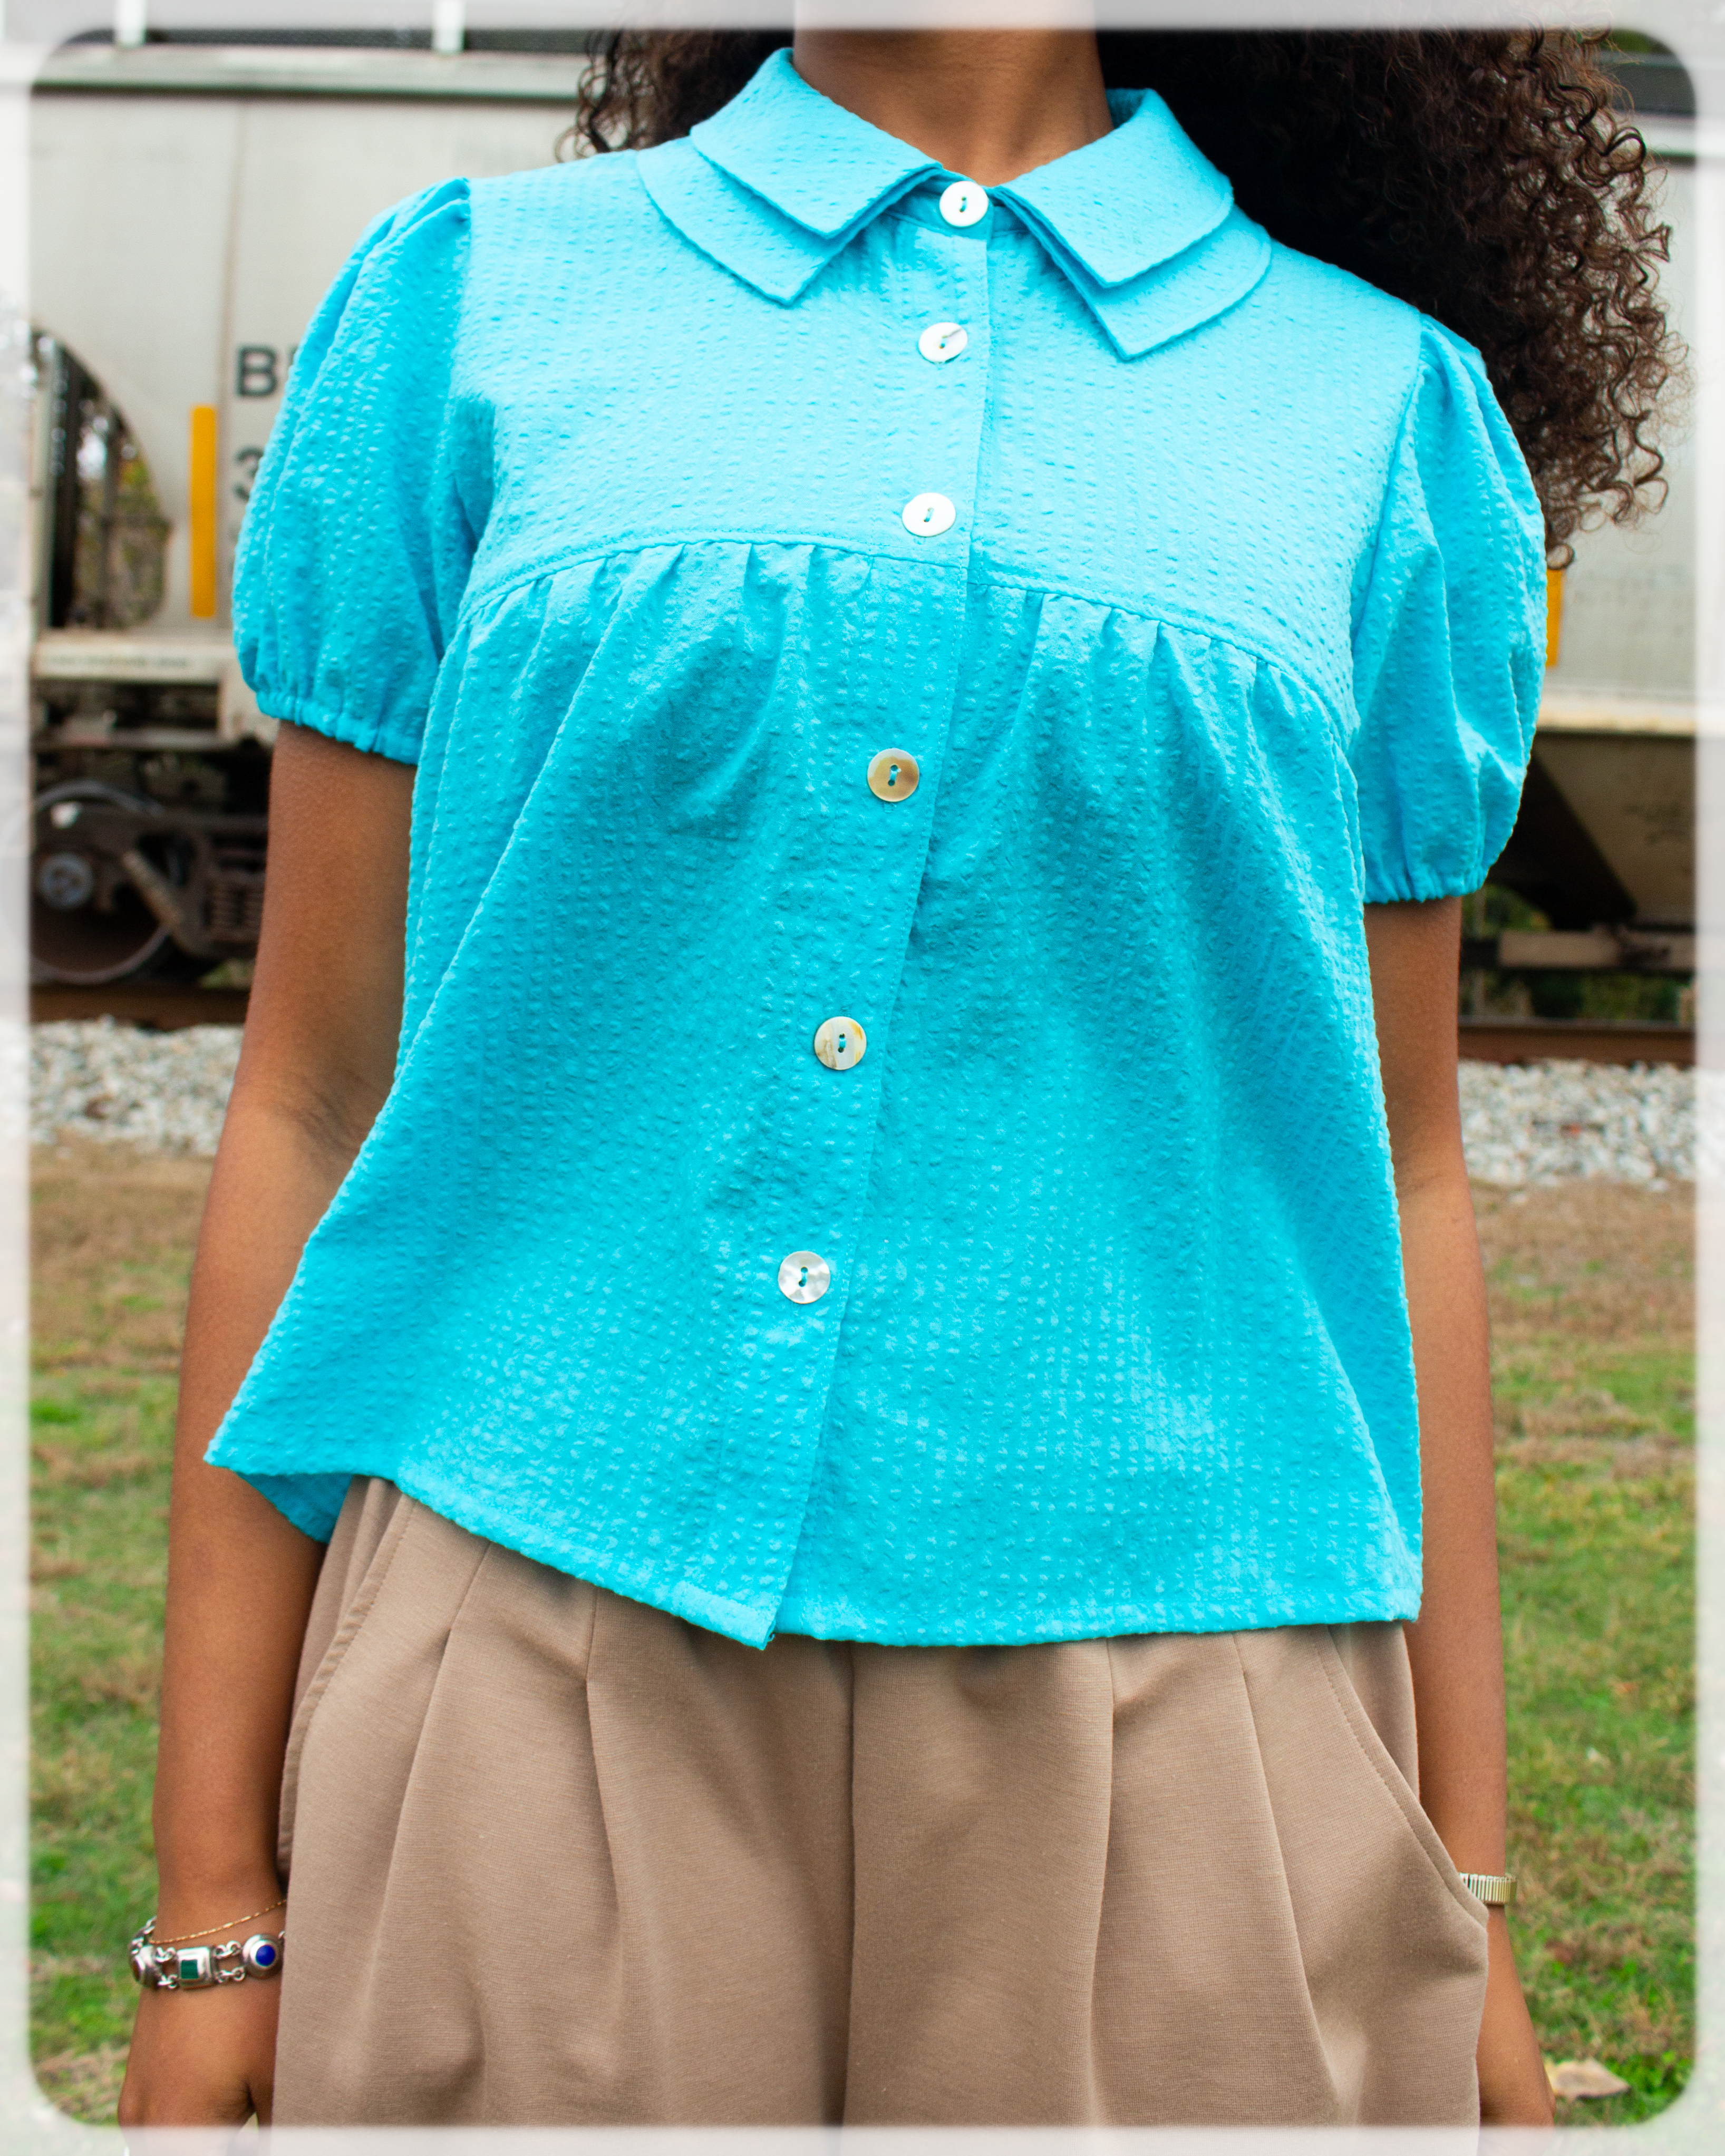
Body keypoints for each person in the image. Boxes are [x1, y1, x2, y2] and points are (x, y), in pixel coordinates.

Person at [118, 21, 1673, 2131]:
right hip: (526, 1669)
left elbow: (1398, 1181)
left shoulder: (1382, 417)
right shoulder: (471, 301)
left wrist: (1463, 1880)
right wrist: (213, 1890)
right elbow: (305, 1094)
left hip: (1193, 1717)